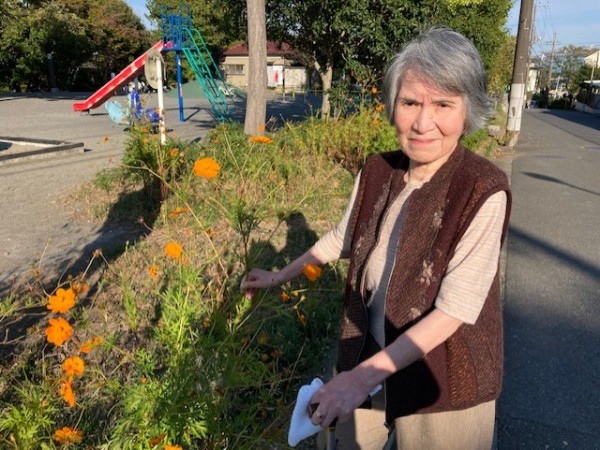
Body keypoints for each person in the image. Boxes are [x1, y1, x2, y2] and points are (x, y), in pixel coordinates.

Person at [241, 27, 511, 450]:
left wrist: (358, 381)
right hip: (366, 352)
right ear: (392, 105)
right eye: (410, 103)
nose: (423, 123)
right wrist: (278, 276)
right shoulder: (378, 170)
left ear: (468, 111)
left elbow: (453, 311)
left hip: (442, 379)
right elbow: (340, 238)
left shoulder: (483, 188)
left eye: (443, 104)